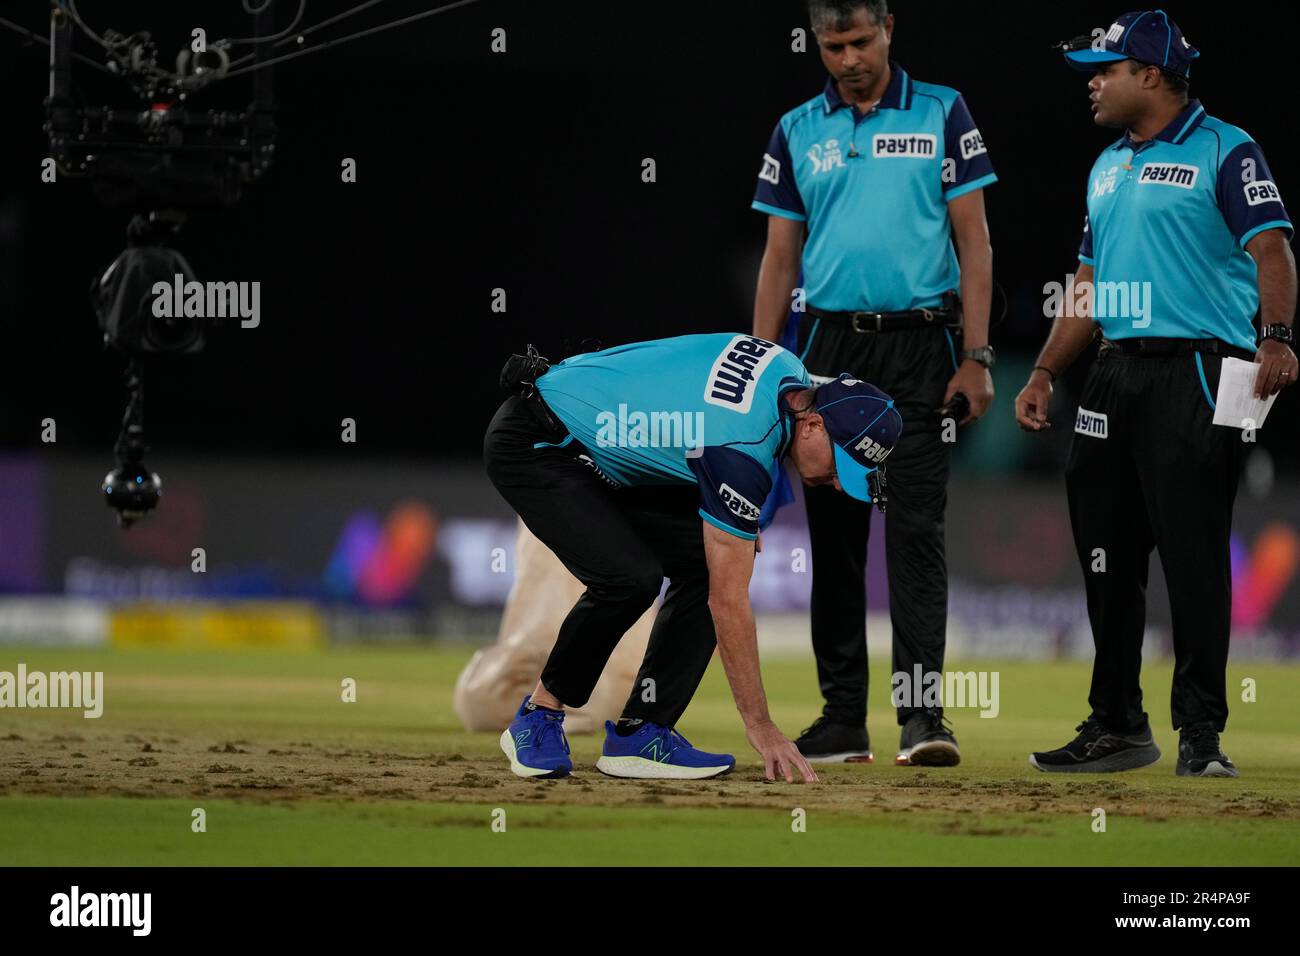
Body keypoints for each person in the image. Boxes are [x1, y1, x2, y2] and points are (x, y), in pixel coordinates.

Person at [1016, 10, 1296, 776]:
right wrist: (1045, 371)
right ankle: (1116, 724)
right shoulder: (1106, 165)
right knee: (1106, 555)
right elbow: (1088, 284)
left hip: (1201, 371)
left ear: (1151, 74)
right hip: (1111, 371)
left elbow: (1272, 247)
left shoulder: (1226, 150)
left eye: (1104, 71)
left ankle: (1200, 736)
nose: (1092, 86)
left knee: (1194, 553)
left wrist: (1277, 336)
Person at [483, 334, 902, 781]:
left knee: (707, 561)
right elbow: (728, 603)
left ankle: (642, 731)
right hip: (540, 444)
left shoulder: (790, 371)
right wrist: (760, 725)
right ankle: (537, 717)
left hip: (595, 442)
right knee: (631, 579)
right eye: (842, 466)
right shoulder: (742, 450)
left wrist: (731, 522)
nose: (839, 484)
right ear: (815, 426)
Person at [751, 0, 996, 765]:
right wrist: (761, 368)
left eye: (861, 41)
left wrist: (978, 356)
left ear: (890, 28)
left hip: (924, 347)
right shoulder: (796, 128)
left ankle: (923, 718)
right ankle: (842, 719)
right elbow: (779, 260)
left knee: (917, 535)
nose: (850, 58)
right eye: (834, 46)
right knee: (836, 543)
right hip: (827, 349)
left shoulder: (942, 111)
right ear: (817, 44)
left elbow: (975, 240)